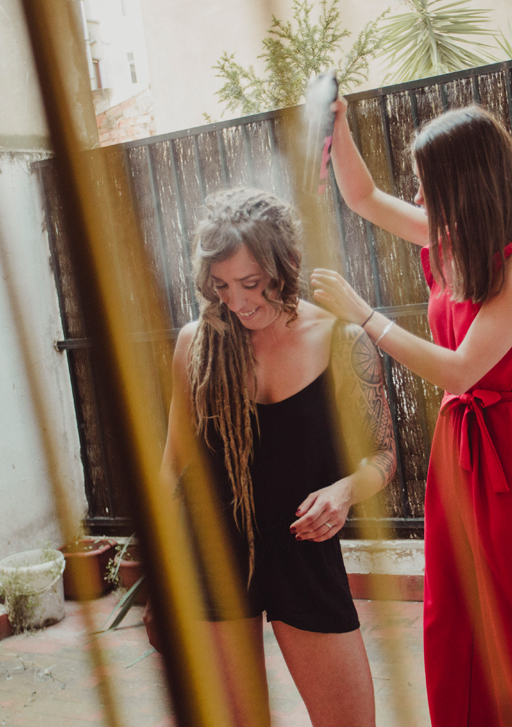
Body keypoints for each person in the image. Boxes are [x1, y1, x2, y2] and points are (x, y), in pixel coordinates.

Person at [311, 101, 512, 727]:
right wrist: (336, 123)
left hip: (511, 457)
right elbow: (362, 197)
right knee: (456, 621)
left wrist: (365, 315)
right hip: (458, 451)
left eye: (427, 185)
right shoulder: (452, 241)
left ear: (465, 186)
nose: (417, 196)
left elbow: (461, 369)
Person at [145, 187, 397, 727]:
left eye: (251, 284)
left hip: (303, 555)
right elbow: (172, 468)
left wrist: (343, 490)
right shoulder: (196, 344)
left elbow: (382, 456)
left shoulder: (342, 340)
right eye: (222, 286)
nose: (237, 302)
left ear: (285, 266)